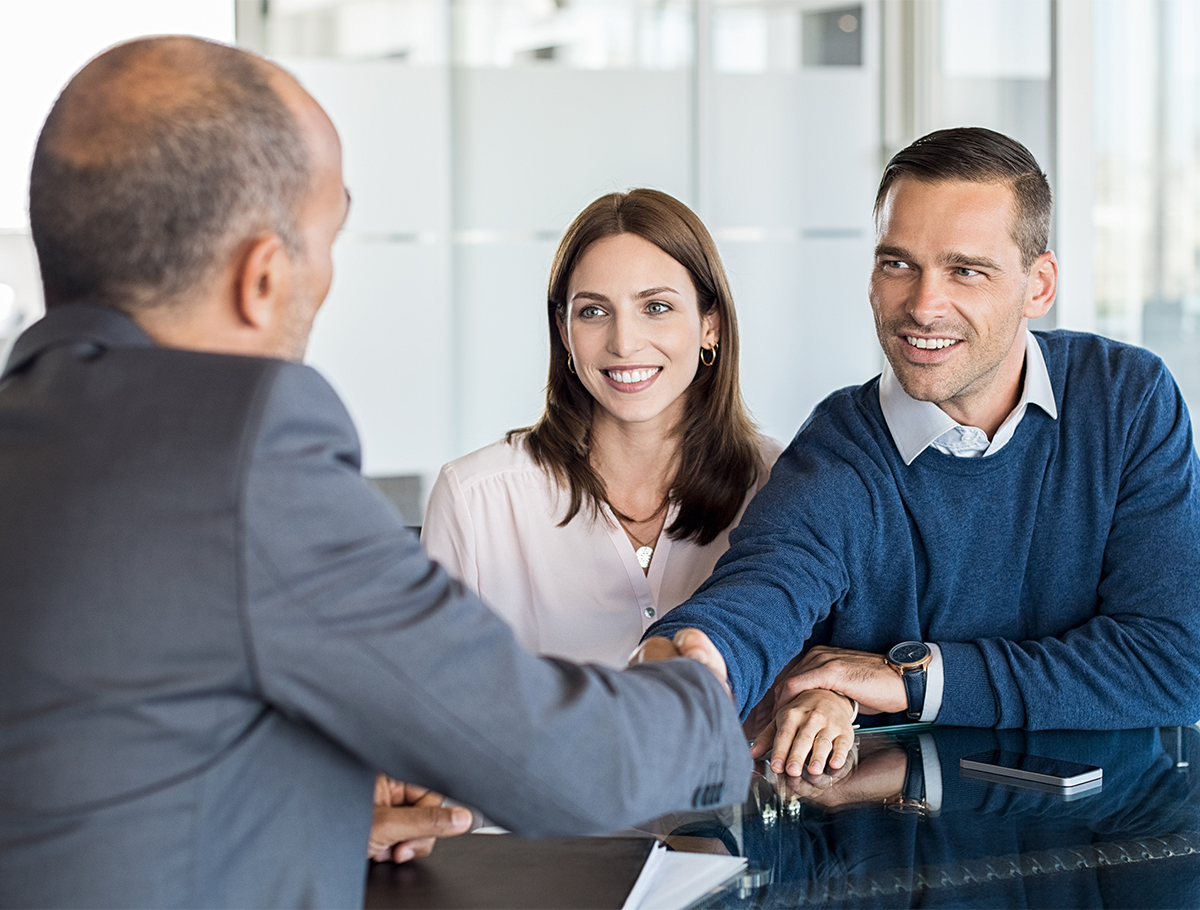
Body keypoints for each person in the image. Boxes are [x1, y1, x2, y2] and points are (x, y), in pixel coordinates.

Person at [0, 37, 750, 909]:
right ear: (264, 276)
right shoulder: (242, 451)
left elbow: (110, 748)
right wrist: (705, 681)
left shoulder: (34, 432)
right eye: (328, 239)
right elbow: (567, 763)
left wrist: (326, 800)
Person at [643, 127, 1200, 755]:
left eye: (966, 271)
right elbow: (762, 593)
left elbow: (1172, 663)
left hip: (1114, 840)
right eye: (897, 264)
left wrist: (911, 678)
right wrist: (694, 660)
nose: (923, 305)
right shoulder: (840, 452)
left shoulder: (1126, 400)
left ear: (1037, 287)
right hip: (909, 843)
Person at [422, 189, 780, 668]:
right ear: (565, 333)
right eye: (593, 311)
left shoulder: (781, 483)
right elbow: (436, 710)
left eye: (655, 307)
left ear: (709, 324)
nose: (624, 343)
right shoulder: (475, 499)